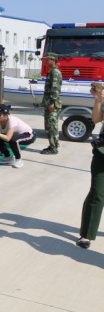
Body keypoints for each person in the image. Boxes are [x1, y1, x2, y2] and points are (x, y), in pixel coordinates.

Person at [76, 82, 104, 249]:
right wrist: (98, 100)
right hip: (103, 152)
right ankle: (86, 234)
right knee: (97, 193)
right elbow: (96, 119)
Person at [0, 104, 35, 168]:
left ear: (6, 115)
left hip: (29, 135)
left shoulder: (12, 121)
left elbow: (8, 138)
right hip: (15, 135)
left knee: (13, 140)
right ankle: (8, 157)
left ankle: (19, 160)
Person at [41, 53, 62, 155]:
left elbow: (55, 89)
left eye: (47, 59)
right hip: (49, 102)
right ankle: (53, 145)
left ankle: (53, 148)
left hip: (52, 104)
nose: (46, 61)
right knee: (49, 126)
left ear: (53, 60)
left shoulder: (55, 72)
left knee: (51, 127)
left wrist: (51, 103)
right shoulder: (52, 71)